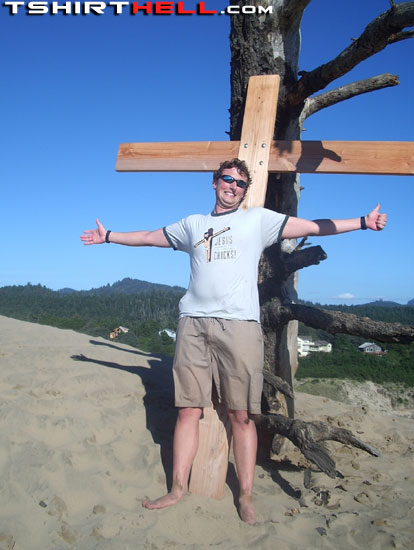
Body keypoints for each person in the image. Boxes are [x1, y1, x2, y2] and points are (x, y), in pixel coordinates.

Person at [81, 158, 387, 525]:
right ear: (215, 182)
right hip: (193, 324)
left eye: (241, 183)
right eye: (228, 179)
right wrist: (109, 236)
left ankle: (245, 496)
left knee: (241, 415)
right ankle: (177, 488)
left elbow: (314, 226)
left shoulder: (257, 220)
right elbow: (149, 237)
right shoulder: (193, 225)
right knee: (188, 410)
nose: (233, 187)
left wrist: (362, 222)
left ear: (244, 190)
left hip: (239, 326)